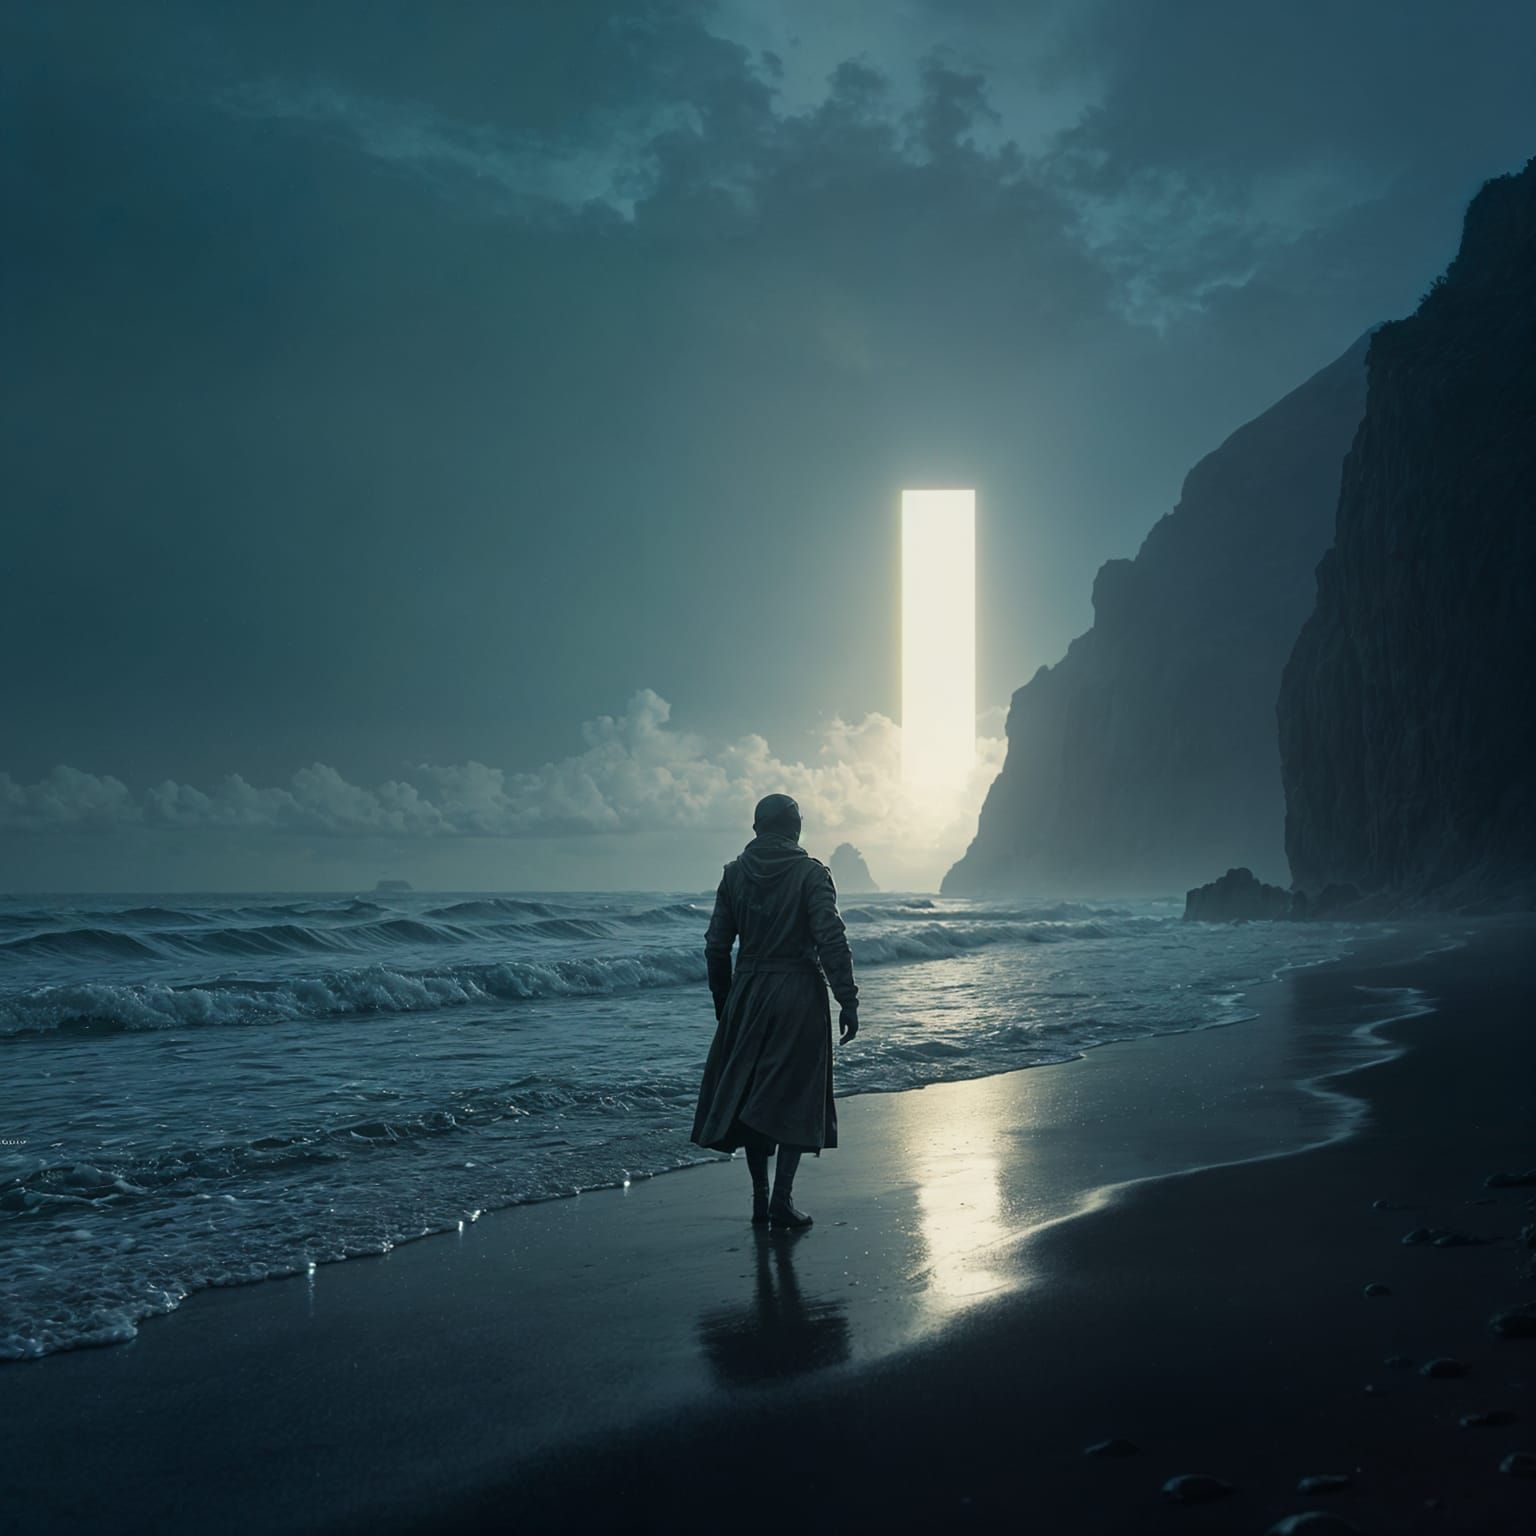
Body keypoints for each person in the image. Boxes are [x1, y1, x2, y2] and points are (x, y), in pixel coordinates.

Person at [690, 792, 860, 1229]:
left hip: (748, 992)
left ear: (757, 828)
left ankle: (760, 1199)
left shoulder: (733, 876)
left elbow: (715, 947)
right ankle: (782, 1198)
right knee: (794, 1096)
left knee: (751, 1094)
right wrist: (848, 997)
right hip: (799, 992)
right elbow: (831, 939)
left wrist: (724, 1003)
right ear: (793, 827)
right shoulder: (811, 874)